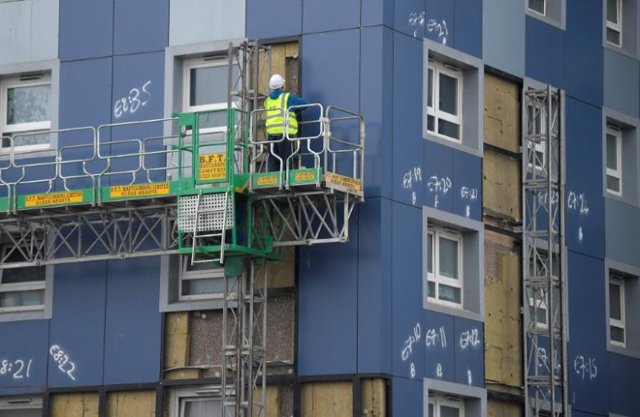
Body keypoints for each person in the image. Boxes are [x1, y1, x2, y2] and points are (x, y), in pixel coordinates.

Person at [264, 74, 306, 171]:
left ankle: (274, 180)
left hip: (271, 135)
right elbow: (304, 104)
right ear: (282, 85)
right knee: (287, 159)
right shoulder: (287, 98)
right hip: (285, 134)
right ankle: (287, 179)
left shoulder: (267, 101)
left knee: (273, 160)